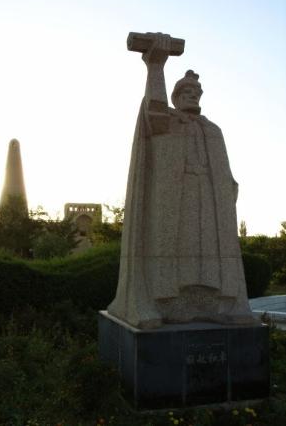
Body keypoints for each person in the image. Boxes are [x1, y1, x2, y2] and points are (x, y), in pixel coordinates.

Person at [108, 34, 255, 329]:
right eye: (186, 91)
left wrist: (229, 186)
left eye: (196, 91)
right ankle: (166, 301)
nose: (192, 94)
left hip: (209, 197)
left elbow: (224, 168)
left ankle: (215, 303)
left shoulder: (213, 129)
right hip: (174, 194)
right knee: (173, 244)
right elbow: (155, 111)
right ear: (176, 97)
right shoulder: (167, 121)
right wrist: (156, 67)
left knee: (206, 246)